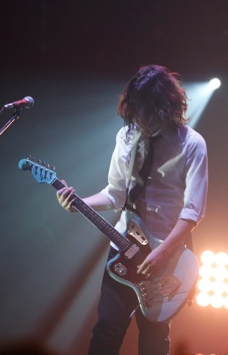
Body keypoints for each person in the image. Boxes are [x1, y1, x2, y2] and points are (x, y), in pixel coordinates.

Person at [56, 64, 208, 355]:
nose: (140, 119)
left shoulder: (192, 144)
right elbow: (114, 194)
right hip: (123, 249)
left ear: (164, 107)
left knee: (153, 341)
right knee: (106, 330)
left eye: (146, 112)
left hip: (166, 255)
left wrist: (161, 253)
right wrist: (78, 203)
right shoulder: (126, 137)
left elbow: (193, 211)